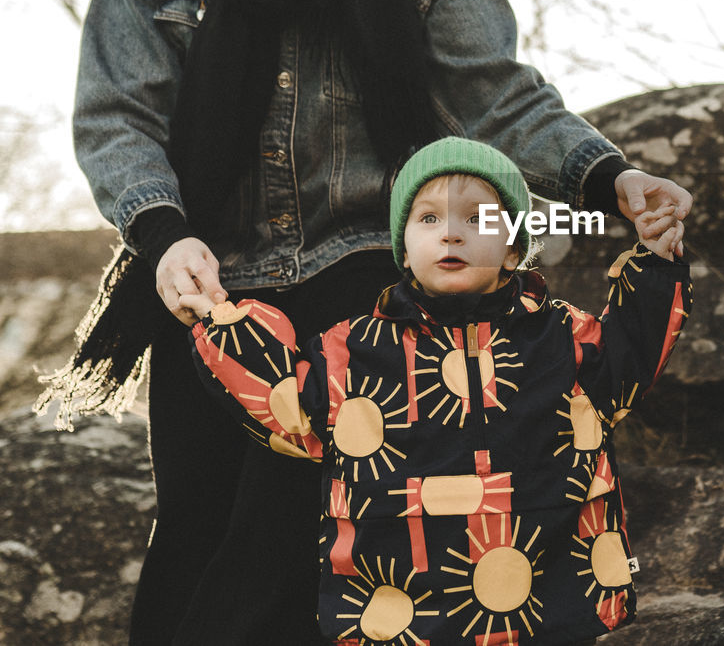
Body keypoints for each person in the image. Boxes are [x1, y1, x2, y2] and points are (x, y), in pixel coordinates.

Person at [49, 0, 691, 643]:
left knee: (305, 547)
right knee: (197, 542)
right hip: (208, 283)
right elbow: (116, 116)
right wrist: (164, 235)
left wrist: (608, 175)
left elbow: (493, 93)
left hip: (366, 285)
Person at [181, 137, 692, 645]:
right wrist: (218, 318)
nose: (451, 233)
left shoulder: (564, 338)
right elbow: (284, 402)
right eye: (428, 219)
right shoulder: (351, 351)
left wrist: (655, 257)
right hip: (404, 618)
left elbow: (632, 355)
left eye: (477, 219)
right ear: (404, 248)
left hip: (550, 607)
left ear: (513, 249)